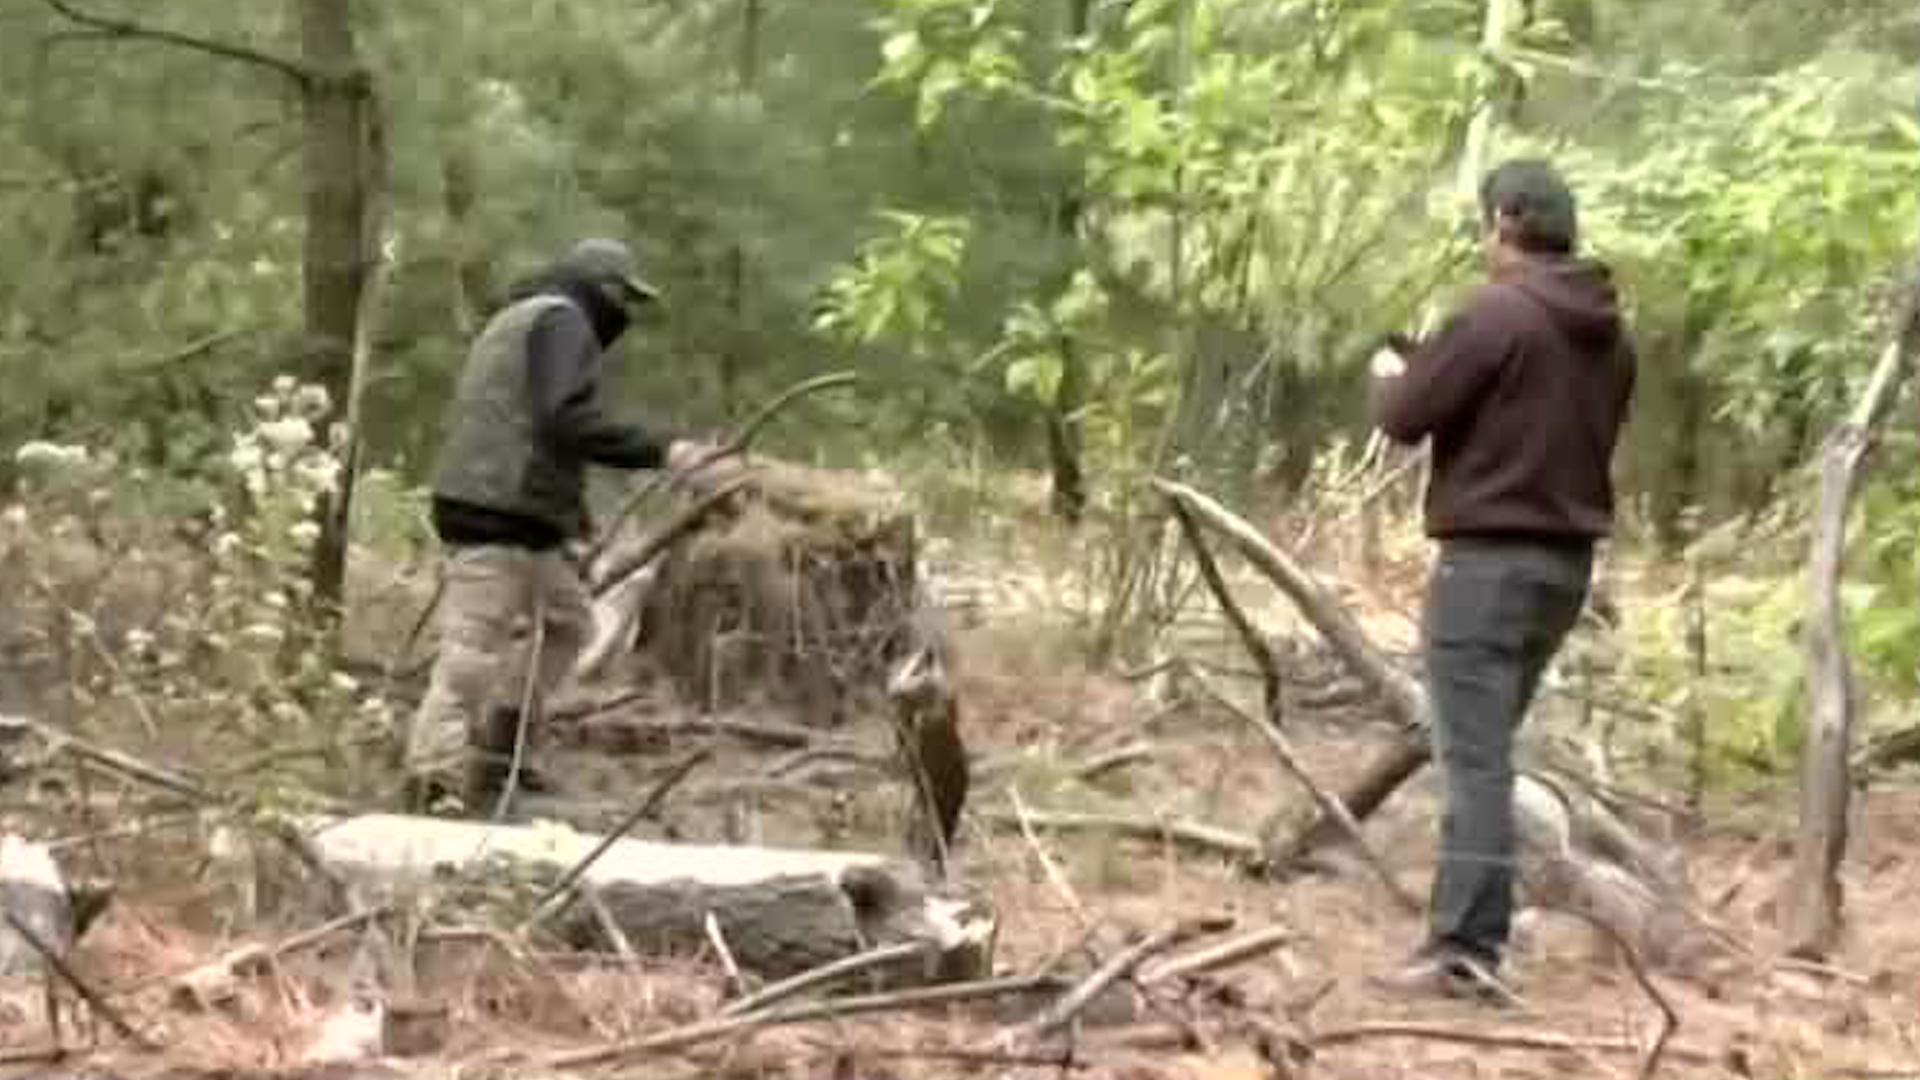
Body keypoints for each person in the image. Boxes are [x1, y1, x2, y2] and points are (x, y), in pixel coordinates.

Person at [1368, 160, 1637, 998]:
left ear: (1510, 222)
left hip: (1484, 568)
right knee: (1487, 754)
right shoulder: (1613, 337)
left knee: (1475, 764)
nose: (1484, 242)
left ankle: (1464, 951)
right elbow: (1534, 417)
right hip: (1563, 573)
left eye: (1487, 224)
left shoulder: (1497, 313)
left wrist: (1388, 372)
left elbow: (1407, 418)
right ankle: (1478, 933)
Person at [403, 237, 724, 815]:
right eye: (625, 298)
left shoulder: (526, 319)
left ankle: (505, 749)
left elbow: (525, 428)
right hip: (493, 512)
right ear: (603, 288)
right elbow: (563, 419)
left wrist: (571, 519)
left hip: (513, 508)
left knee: (570, 622)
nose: (625, 313)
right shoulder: (563, 320)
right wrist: (663, 449)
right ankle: (432, 784)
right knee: (471, 650)